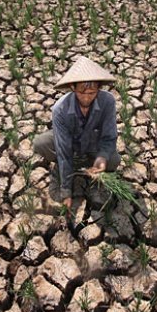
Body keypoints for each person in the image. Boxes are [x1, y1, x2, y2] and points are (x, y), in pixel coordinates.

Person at [33, 56, 121, 211]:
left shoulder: (108, 102)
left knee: (113, 160)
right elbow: (63, 150)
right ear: (73, 87)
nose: (87, 97)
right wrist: (66, 191)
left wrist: (102, 157)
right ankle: (67, 168)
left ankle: (86, 166)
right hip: (70, 145)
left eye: (92, 92)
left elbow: (109, 136)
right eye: (81, 92)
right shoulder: (60, 109)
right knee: (41, 143)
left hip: (93, 145)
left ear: (99, 88)